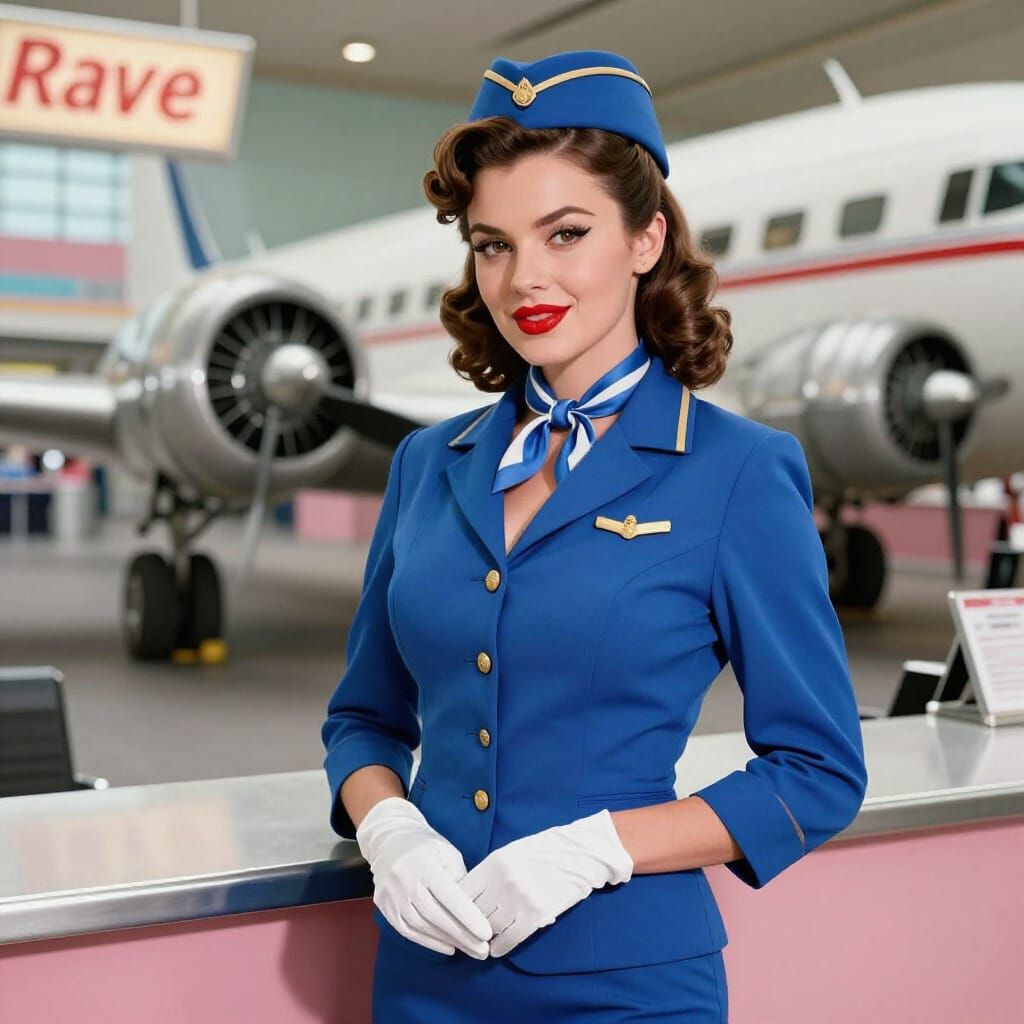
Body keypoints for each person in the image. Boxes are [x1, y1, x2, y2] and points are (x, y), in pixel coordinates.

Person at [321, 49, 868, 1023]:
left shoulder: (738, 472)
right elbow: (363, 718)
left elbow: (817, 769)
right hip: (423, 975)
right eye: (492, 244)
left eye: (564, 233)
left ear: (646, 238)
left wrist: (600, 847)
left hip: (627, 986)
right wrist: (388, 826)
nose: (523, 277)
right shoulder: (425, 463)